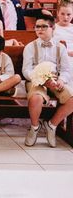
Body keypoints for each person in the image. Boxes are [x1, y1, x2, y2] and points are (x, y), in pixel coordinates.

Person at [22, 15, 73, 148]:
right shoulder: (30, 47)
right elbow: (26, 70)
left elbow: (66, 69)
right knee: (36, 98)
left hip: (55, 80)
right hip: (36, 80)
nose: (40, 29)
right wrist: (41, 79)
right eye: (37, 26)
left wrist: (62, 80)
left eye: (44, 26)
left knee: (72, 98)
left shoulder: (60, 47)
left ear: (52, 28)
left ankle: (52, 125)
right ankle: (34, 127)